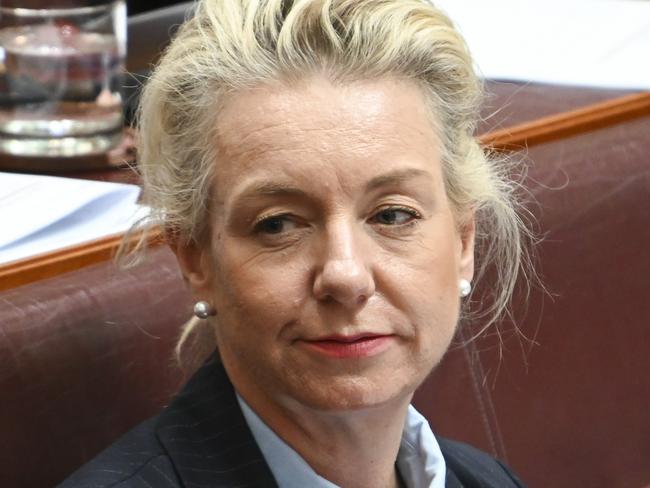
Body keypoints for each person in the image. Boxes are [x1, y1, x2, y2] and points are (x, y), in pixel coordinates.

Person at [61, 0, 530, 486]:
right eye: (278, 225)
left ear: (462, 240)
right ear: (195, 257)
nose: (345, 275)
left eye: (392, 215)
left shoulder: (486, 479)